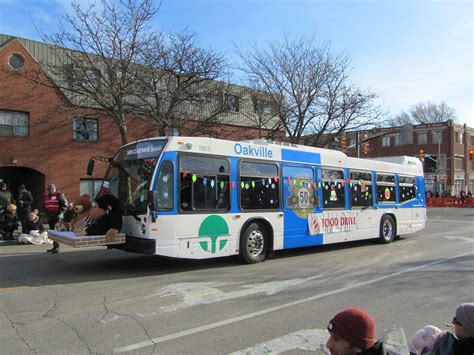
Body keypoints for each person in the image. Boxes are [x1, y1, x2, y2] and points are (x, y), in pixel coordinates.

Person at [44, 184, 67, 253]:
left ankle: (57, 247)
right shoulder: (46, 197)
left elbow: (64, 206)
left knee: (56, 232)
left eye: (52, 189)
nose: (51, 191)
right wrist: (46, 214)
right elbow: (44, 206)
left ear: (55, 189)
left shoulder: (59, 195)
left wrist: (58, 214)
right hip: (50, 217)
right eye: (49, 189)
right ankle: (54, 247)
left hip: (57, 217)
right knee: (52, 232)